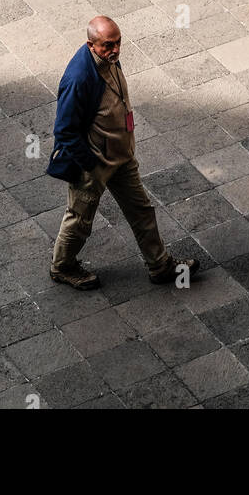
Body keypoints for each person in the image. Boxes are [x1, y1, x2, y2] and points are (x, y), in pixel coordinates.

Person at [46, 15, 200, 291]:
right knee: (80, 219)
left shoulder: (108, 61)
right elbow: (65, 131)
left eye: (118, 42)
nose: (115, 49)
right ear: (91, 45)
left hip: (121, 157)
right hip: (96, 163)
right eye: (107, 45)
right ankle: (62, 266)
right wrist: (89, 163)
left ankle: (160, 265)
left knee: (141, 210)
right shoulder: (79, 78)